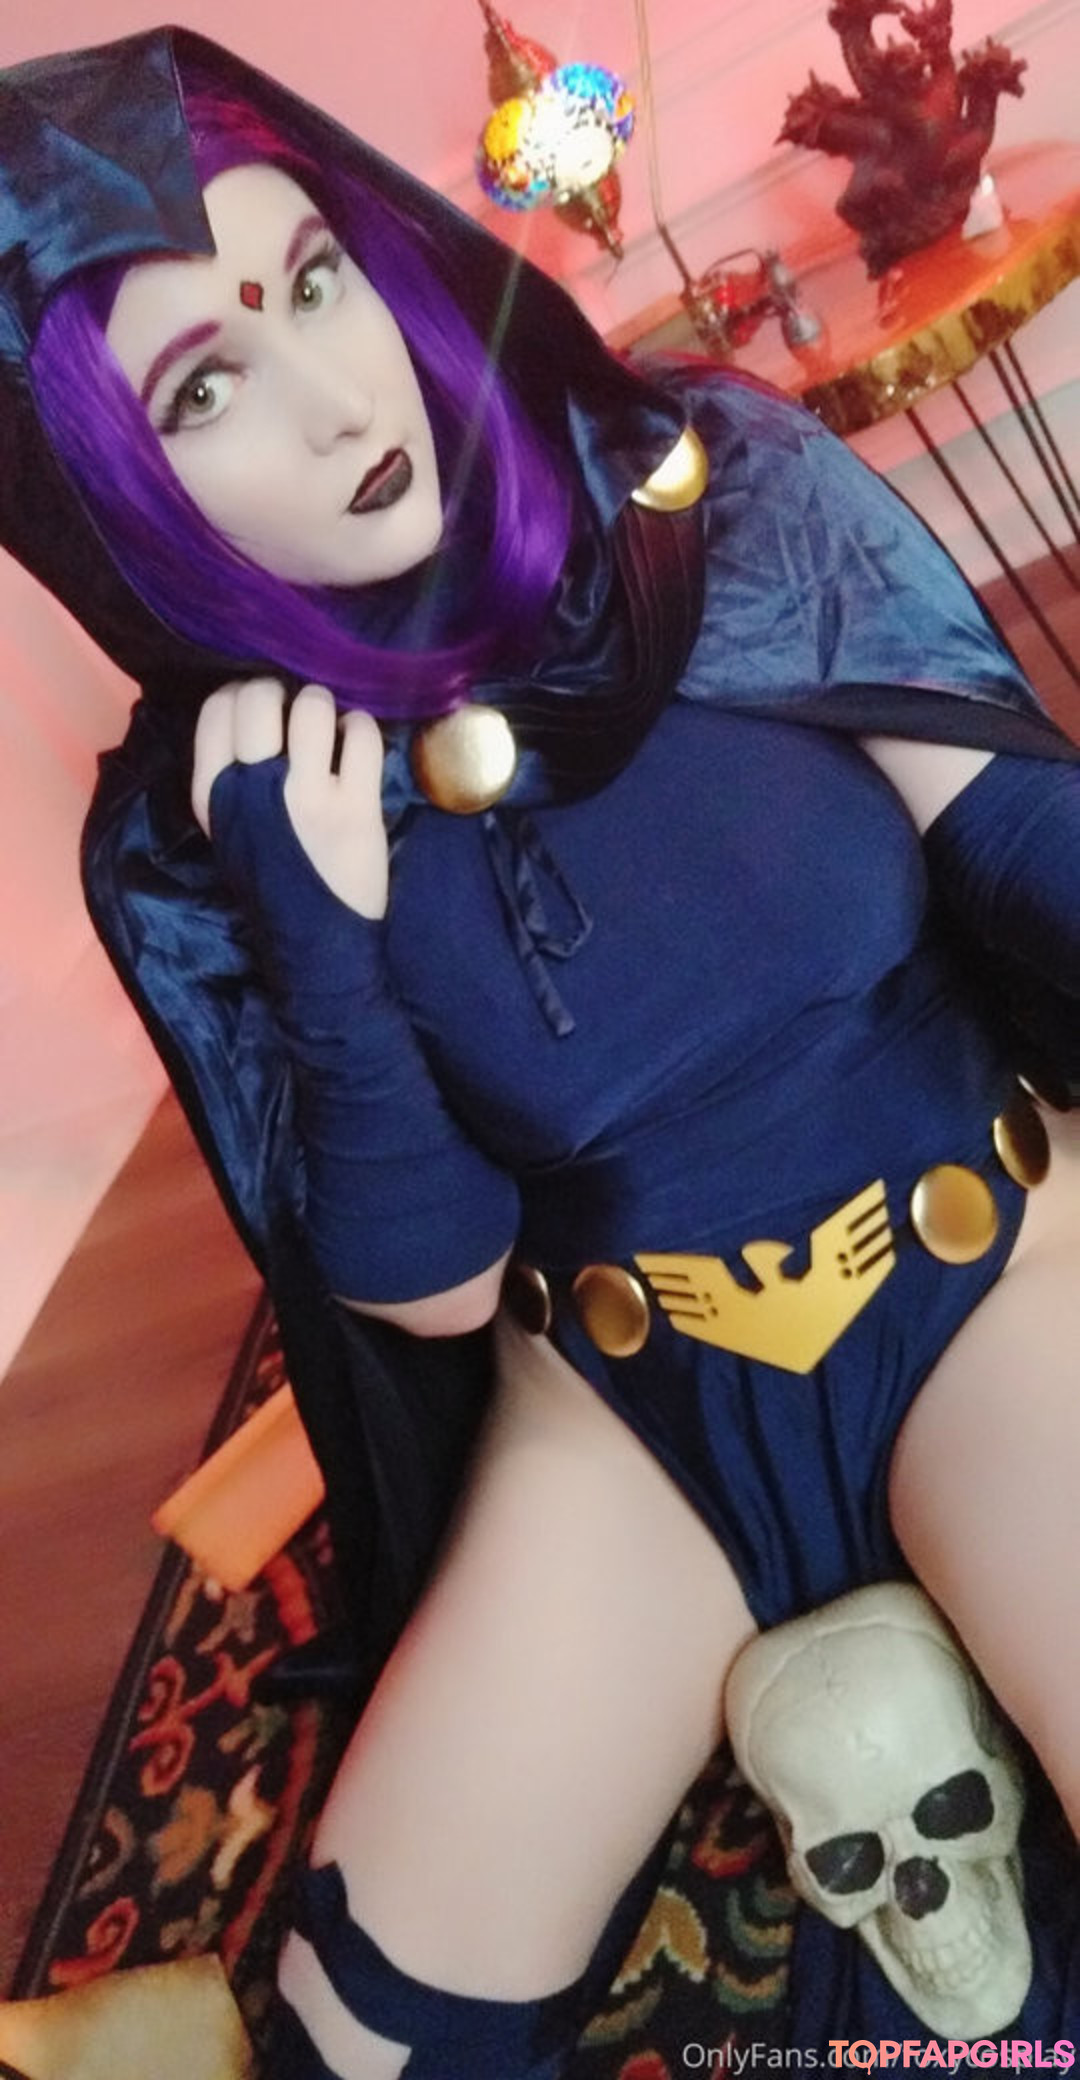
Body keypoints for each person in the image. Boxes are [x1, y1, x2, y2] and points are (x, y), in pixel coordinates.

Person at [2, 26, 1079, 2076]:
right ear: (101, 493)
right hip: (622, 1403)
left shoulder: (712, 482)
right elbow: (421, 1289)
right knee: (362, 2045)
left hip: (975, 1257)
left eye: (311, 279)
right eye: (204, 387)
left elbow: (1024, 842)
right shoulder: (192, 825)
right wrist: (315, 936)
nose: (337, 400)